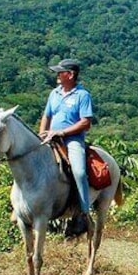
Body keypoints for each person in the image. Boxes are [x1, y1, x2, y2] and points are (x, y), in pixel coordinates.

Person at [39, 58, 94, 237]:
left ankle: (83, 214)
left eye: (60, 72)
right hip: (50, 137)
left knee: (78, 171)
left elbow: (85, 123)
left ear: (70, 75)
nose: (57, 75)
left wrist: (61, 133)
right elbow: (46, 116)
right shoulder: (54, 93)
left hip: (72, 140)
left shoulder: (82, 95)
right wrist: (42, 133)